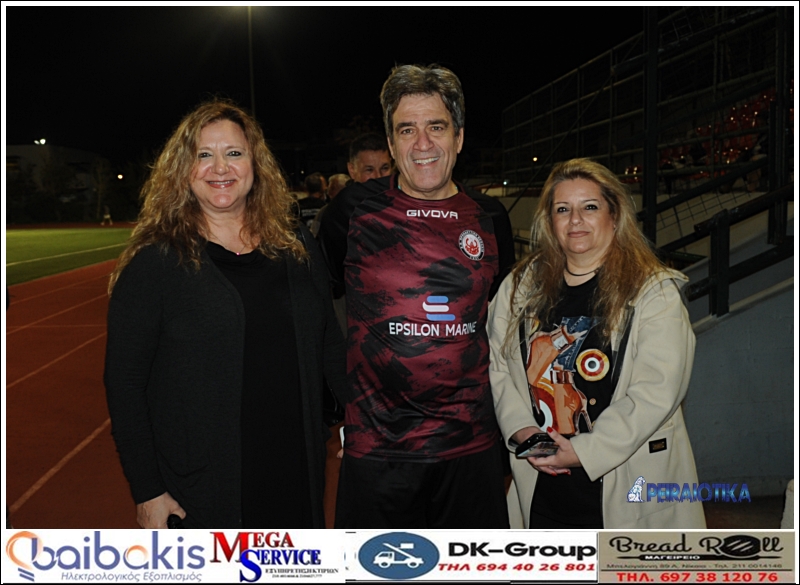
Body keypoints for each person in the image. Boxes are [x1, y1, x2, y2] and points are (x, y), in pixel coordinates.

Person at [104, 99, 348, 529]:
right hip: (203, 486)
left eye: (234, 153)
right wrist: (147, 489)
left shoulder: (294, 244)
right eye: (204, 154)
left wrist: (362, 419)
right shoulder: (156, 263)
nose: (221, 167)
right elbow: (124, 385)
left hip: (295, 466)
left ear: (255, 164)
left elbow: (328, 339)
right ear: (184, 169)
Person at [317, 64, 515, 528]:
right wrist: (337, 406)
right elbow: (315, 306)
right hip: (379, 453)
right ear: (391, 143)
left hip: (471, 448)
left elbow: (504, 321)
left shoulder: (490, 217)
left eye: (436, 127)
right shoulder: (352, 211)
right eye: (407, 129)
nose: (422, 143)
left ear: (459, 138)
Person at [488, 158, 706, 529]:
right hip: (541, 482)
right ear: (549, 221)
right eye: (562, 209)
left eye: (589, 207)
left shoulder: (653, 291)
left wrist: (583, 452)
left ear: (615, 216)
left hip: (627, 482)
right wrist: (522, 430)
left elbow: (656, 393)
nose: (575, 220)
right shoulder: (520, 286)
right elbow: (498, 366)